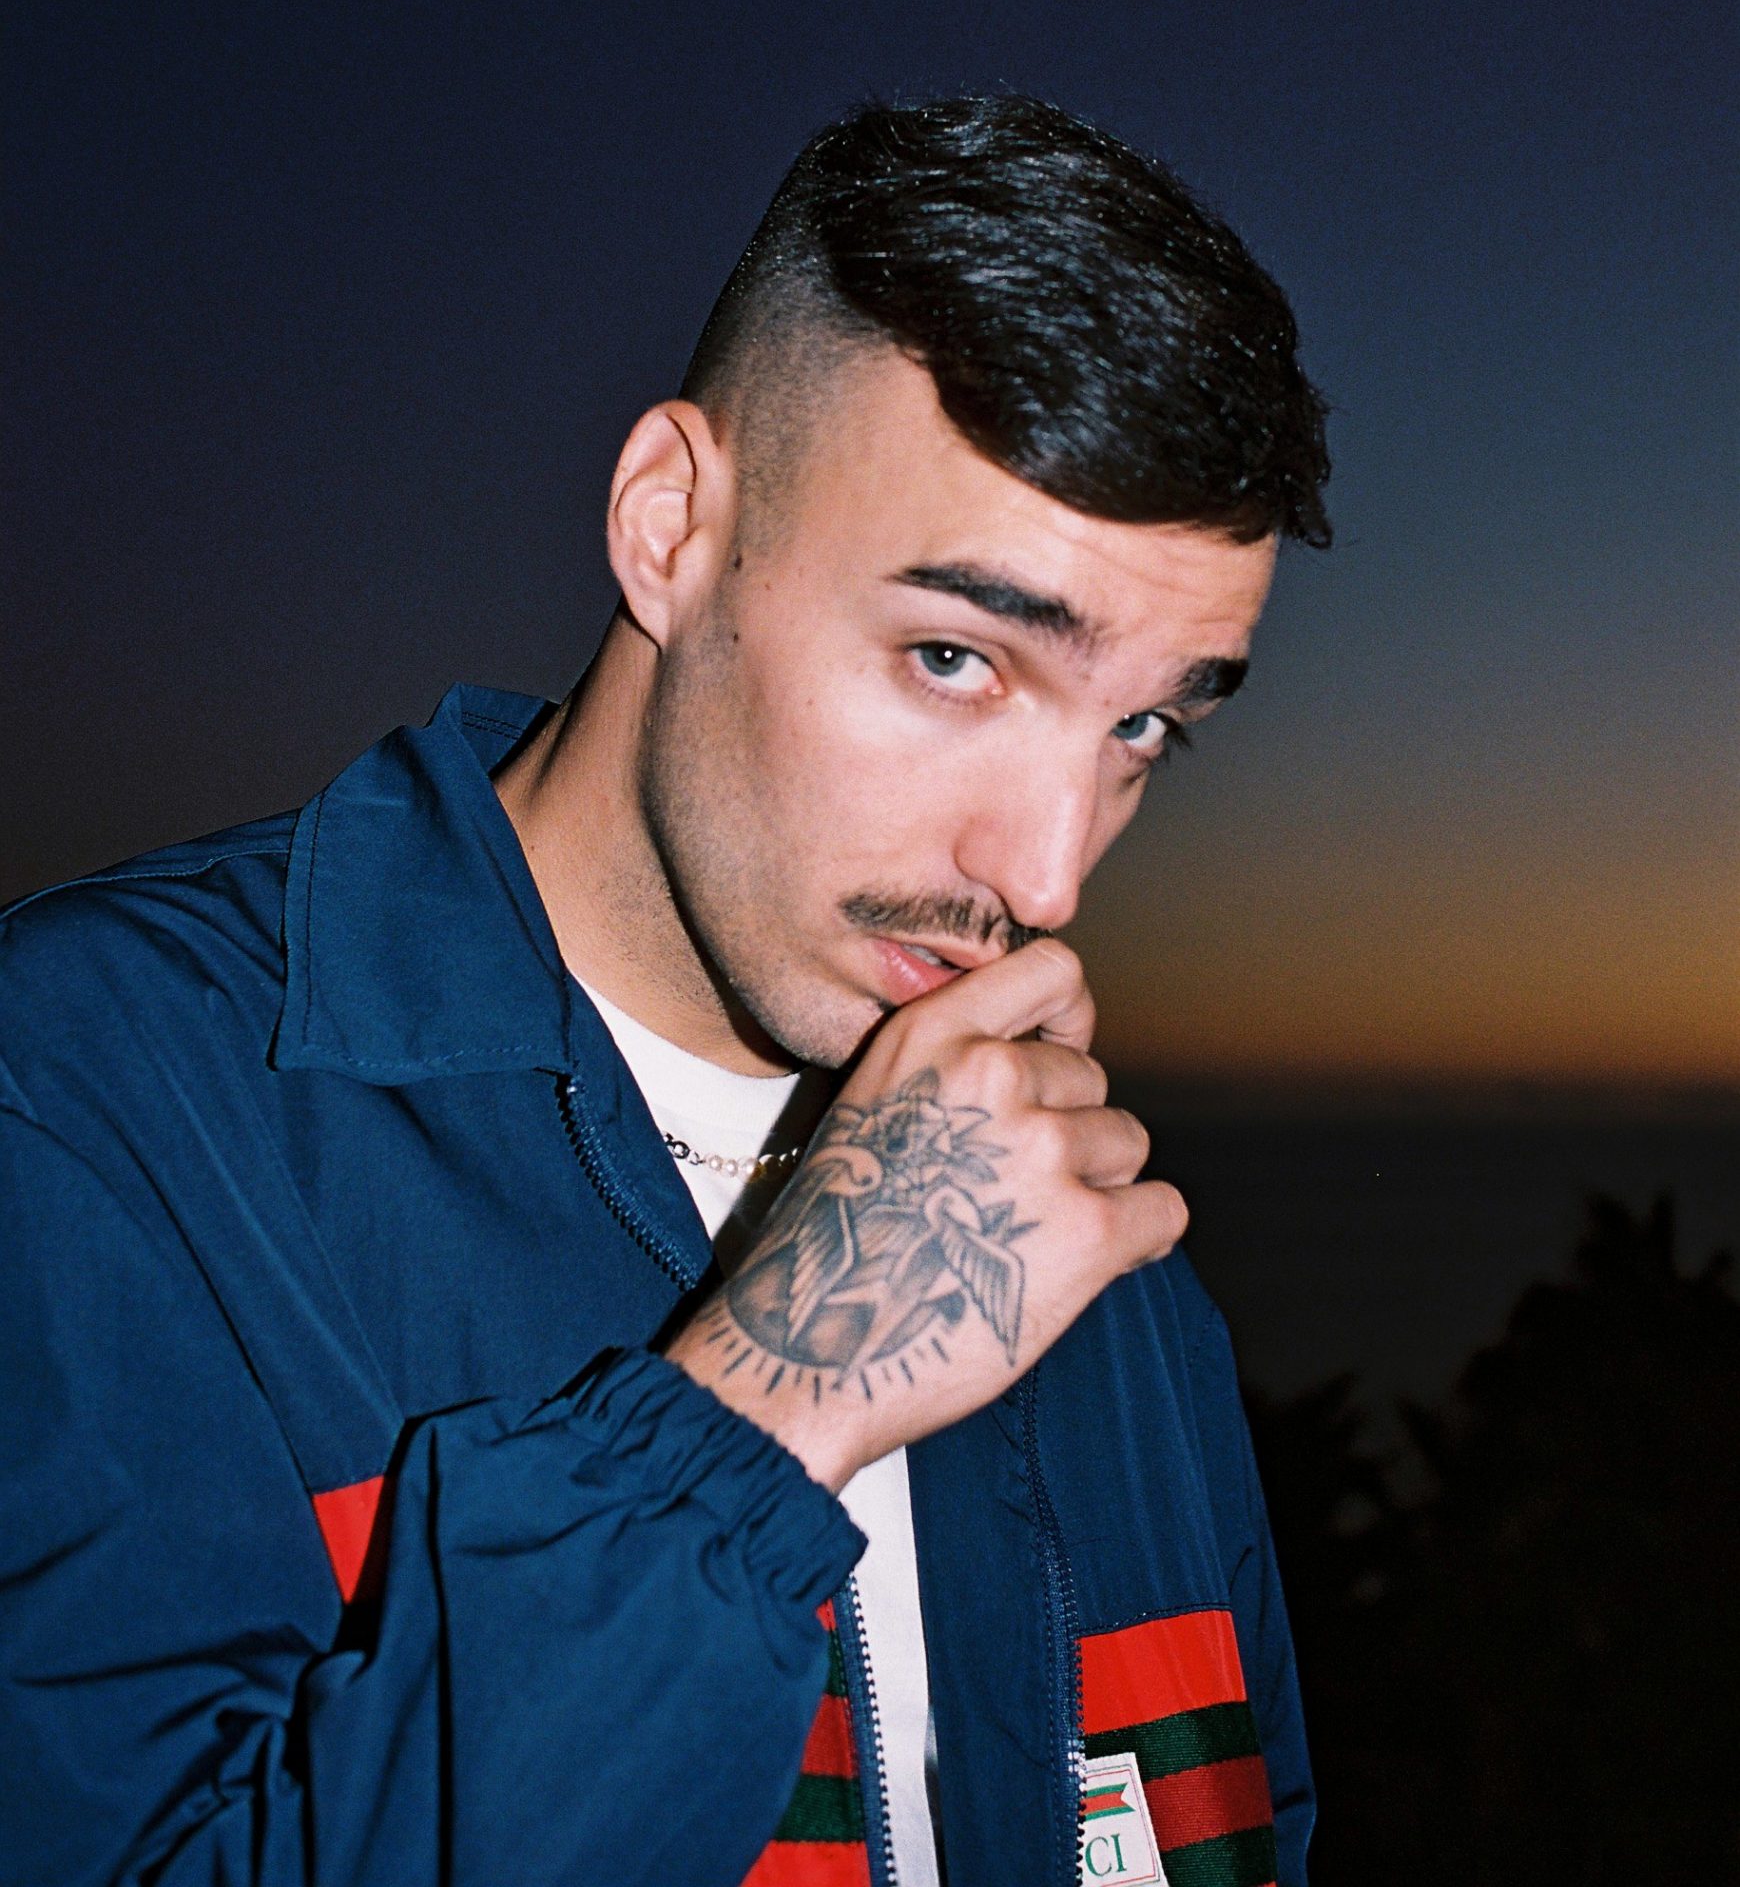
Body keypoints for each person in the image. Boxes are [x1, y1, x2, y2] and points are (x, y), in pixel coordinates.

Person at [0, 96, 1331, 1887]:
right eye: (956, 658)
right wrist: (779, 1395)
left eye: (1144, 726)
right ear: (669, 526)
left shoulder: (1091, 1261)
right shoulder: (95, 1102)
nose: (1047, 878)